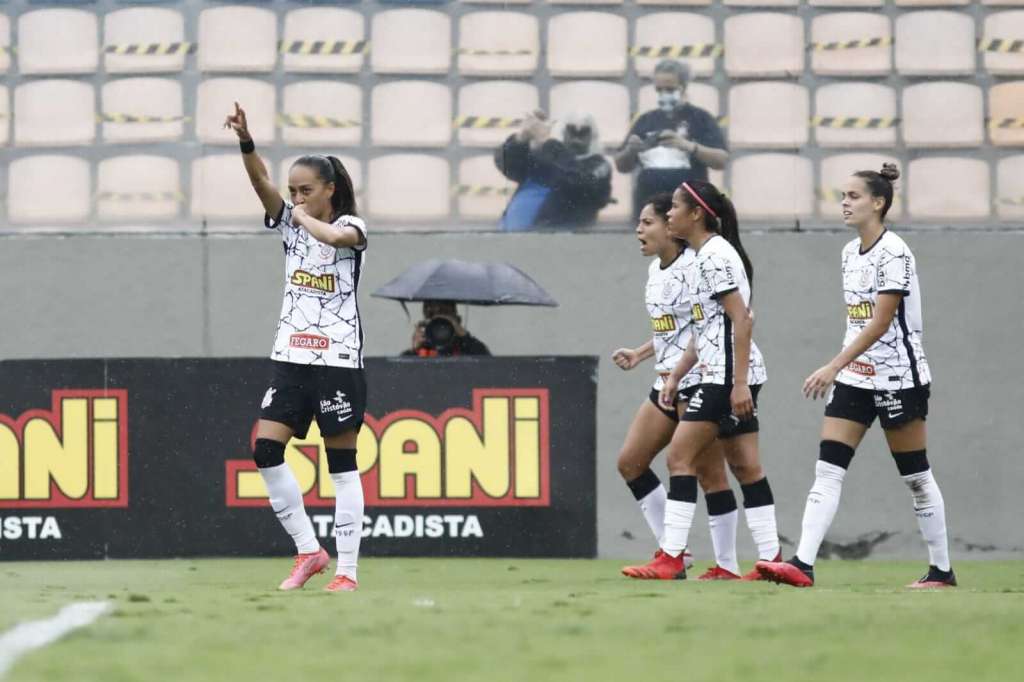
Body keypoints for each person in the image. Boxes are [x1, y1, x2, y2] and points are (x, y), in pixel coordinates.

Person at [756, 165, 955, 589]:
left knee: (916, 476)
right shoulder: (849, 253)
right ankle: (802, 564)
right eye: (842, 196)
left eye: (853, 196)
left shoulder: (895, 252)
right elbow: (857, 321)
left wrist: (832, 365)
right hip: (855, 378)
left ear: (878, 203)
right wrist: (844, 369)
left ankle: (941, 570)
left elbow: (881, 323)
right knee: (828, 469)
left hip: (899, 376)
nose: (844, 203)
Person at [225, 102, 367, 593]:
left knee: (342, 466)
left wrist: (297, 216)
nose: (296, 198)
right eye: (292, 192)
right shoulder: (288, 220)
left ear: (329, 189)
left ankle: (347, 571)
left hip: (337, 361)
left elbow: (333, 235)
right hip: (291, 357)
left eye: (307, 190)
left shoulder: (354, 227)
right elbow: (259, 183)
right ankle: (309, 550)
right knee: (266, 449)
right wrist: (247, 141)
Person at [622, 181, 778, 580]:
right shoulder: (705, 255)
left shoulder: (712, 257)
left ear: (696, 214)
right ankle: (772, 562)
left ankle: (672, 557)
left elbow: (741, 319)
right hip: (714, 371)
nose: (670, 214)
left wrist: (739, 383)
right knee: (745, 467)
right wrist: (673, 372)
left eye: (672, 208)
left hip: (723, 375)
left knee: (680, 458)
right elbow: (705, 328)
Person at [614, 60, 728, 221]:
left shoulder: (701, 118)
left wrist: (688, 146)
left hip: (689, 210)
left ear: (683, 86)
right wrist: (631, 150)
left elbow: (721, 160)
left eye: (670, 89)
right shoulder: (646, 120)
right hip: (648, 208)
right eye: (659, 90)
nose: (664, 94)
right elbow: (621, 165)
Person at [494, 110, 612, 231]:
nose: (576, 139)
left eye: (583, 133)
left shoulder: (599, 166)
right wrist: (521, 139)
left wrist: (547, 142)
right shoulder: (548, 156)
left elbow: (577, 181)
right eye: (571, 132)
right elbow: (506, 164)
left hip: (558, 242)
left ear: (593, 136)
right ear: (562, 132)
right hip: (510, 238)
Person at [401, 300, 491, 357]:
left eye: (445, 313)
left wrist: (465, 336)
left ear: (457, 320)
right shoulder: (424, 347)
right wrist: (414, 351)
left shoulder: (466, 346)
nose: (440, 328)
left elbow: (488, 366)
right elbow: (401, 375)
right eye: (431, 315)